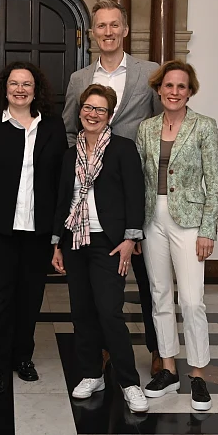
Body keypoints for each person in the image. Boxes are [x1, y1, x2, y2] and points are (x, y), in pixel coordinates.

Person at [63, 0, 162, 376]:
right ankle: (102, 349)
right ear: (92, 33)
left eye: (114, 25)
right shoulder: (78, 79)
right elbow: (71, 130)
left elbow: (158, 125)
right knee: (100, 283)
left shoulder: (148, 72)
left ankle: (159, 350)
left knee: (149, 279)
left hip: (137, 193)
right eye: (100, 26)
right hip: (92, 200)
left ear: (124, 30)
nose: (107, 32)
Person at [0, 61, 67, 394]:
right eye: (14, 83)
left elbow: (60, 183)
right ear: (4, 88)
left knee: (30, 299)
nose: (20, 89)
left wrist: (57, 235)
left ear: (36, 90)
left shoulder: (52, 127)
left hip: (38, 232)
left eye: (27, 84)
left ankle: (23, 357)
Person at [52, 84, 149, 414]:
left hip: (110, 243)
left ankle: (129, 381)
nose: (93, 114)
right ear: (80, 111)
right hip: (76, 241)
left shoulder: (122, 149)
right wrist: (57, 243)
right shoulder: (69, 154)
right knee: (82, 312)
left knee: (109, 311)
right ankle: (92, 373)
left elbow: (136, 195)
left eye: (100, 110)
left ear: (110, 116)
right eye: (88, 108)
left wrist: (130, 239)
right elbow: (61, 200)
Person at [135, 60, 218, 411]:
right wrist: (134, 229)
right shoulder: (146, 128)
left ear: (190, 91)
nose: (174, 92)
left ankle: (198, 374)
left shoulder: (205, 127)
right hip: (150, 219)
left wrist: (208, 230)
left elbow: (214, 184)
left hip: (188, 221)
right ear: (159, 90)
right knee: (158, 295)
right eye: (168, 86)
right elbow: (138, 180)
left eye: (181, 87)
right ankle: (168, 368)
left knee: (190, 300)